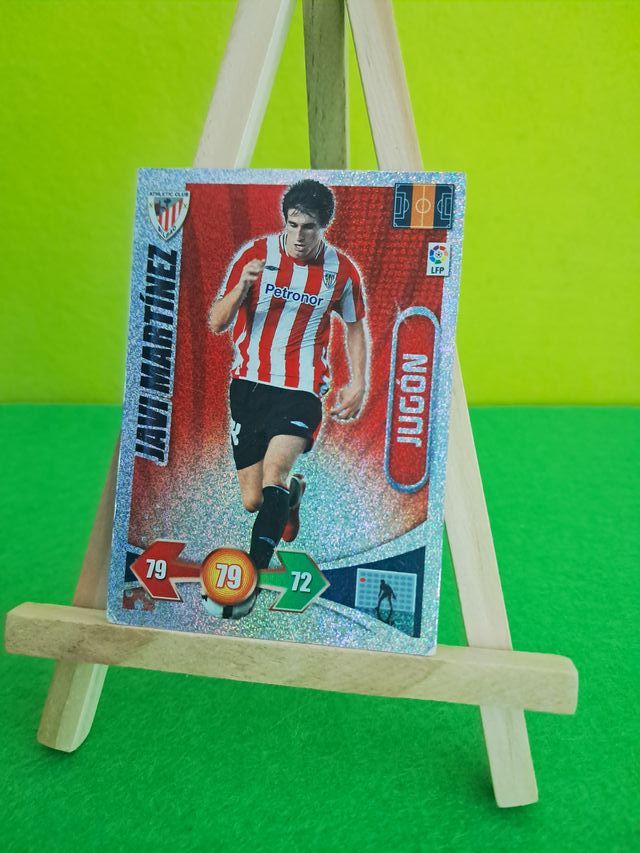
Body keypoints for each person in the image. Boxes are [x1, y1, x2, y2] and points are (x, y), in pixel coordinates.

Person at [208, 179, 369, 617]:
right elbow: (217, 322)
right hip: (249, 387)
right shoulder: (257, 256)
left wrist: (358, 381)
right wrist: (241, 287)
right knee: (254, 500)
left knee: (274, 472)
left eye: (309, 227)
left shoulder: (341, 271)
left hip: (301, 389)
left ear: (324, 227)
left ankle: (249, 582)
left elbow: (355, 326)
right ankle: (291, 498)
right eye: (293, 224)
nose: (299, 235)